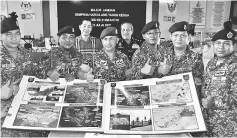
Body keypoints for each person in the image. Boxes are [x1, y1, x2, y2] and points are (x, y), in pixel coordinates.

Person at [1, 11, 47, 137]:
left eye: (17, 34)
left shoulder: (28, 54)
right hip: (4, 118)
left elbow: (38, 75)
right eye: (8, 34)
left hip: (29, 112)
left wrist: (50, 72)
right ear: (1, 36)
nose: (13, 38)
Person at [200, 21, 237, 137]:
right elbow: (206, 85)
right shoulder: (212, 63)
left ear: (234, 45)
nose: (221, 47)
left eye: (226, 43)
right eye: (218, 43)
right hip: (207, 121)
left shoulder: (235, 65)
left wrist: (214, 103)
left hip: (226, 124)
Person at [160, 21, 204, 99]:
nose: (179, 39)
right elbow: (153, 79)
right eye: (175, 35)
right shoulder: (162, 55)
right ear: (170, 36)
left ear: (189, 37)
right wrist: (159, 71)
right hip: (166, 99)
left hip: (186, 99)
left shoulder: (196, 58)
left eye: (183, 35)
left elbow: (200, 83)